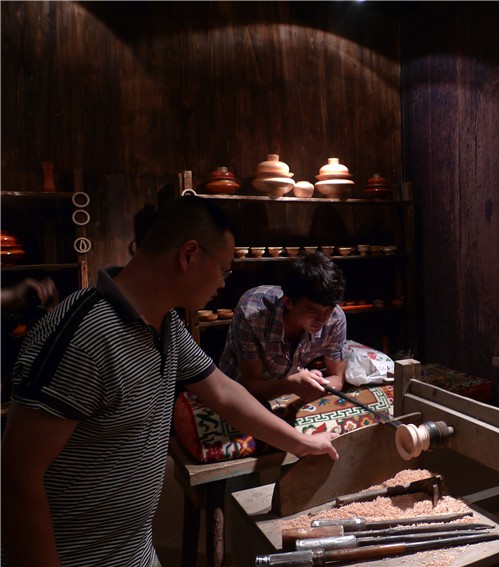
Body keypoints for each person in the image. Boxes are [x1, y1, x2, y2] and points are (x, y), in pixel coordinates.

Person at [0, 196, 338, 567]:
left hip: (135, 553)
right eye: (223, 270)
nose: (223, 283)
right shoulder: (83, 337)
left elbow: (223, 392)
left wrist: (301, 442)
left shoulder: (166, 324)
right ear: (189, 255)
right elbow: (16, 478)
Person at [219, 252, 347, 403]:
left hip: (287, 390)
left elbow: (337, 378)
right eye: (312, 311)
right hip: (235, 391)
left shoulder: (335, 318)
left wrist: (317, 384)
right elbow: (250, 386)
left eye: (328, 311)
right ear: (288, 302)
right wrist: (291, 384)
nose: (322, 319)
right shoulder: (253, 313)